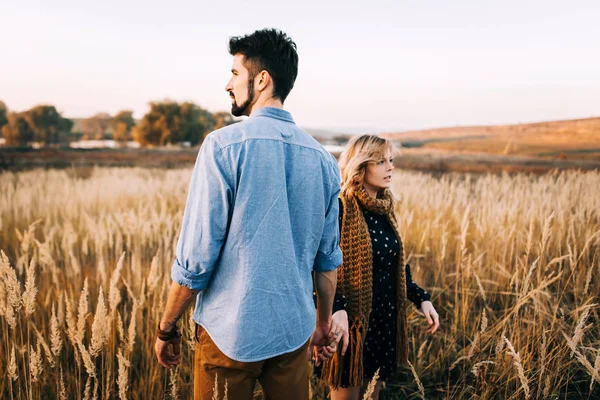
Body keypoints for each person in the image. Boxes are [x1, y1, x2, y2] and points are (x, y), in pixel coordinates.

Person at [154, 28, 342, 400]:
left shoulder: (223, 147)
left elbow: (197, 258)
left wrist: (166, 327)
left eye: (235, 73)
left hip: (229, 334)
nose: (228, 84)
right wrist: (321, 324)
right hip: (293, 333)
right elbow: (327, 261)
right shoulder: (323, 160)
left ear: (262, 79)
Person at [317, 135, 440, 400]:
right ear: (361, 166)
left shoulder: (385, 209)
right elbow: (318, 266)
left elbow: (393, 265)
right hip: (350, 324)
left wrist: (420, 298)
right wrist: (336, 308)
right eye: (381, 161)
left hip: (383, 321)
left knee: (372, 394)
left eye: (391, 160)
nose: (390, 167)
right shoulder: (339, 207)